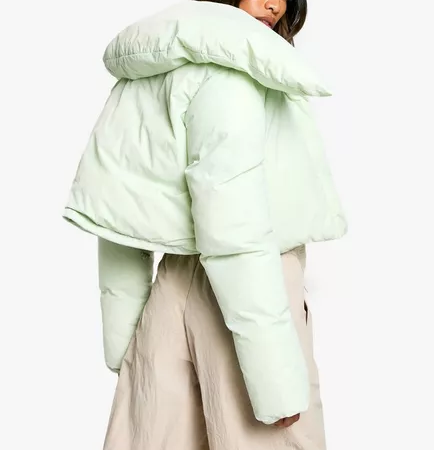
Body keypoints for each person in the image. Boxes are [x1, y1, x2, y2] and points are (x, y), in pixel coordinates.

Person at [62, 0, 348, 448]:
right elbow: (235, 230)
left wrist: (125, 339)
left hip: (168, 298)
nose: (274, 5)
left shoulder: (152, 69)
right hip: (248, 300)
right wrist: (275, 380)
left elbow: (120, 212)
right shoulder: (232, 76)